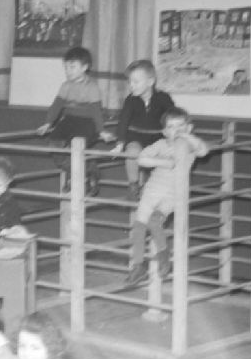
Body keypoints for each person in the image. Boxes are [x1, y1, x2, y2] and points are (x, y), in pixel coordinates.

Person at [123, 107, 209, 287]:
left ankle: (163, 256)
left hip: (174, 193)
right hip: (153, 189)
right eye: (171, 127)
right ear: (164, 131)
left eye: (180, 126)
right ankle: (138, 265)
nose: (176, 130)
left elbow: (203, 150)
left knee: (155, 221)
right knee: (139, 224)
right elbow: (141, 159)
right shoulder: (161, 144)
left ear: (189, 128)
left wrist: (187, 137)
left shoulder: (189, 146)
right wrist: (164, 162)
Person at [35, 47, 115, 196]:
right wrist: (48, 123)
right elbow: (57, 105)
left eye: (72, 67)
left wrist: (101, 130)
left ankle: (75, 179)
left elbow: (96, 111)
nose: (68, 71)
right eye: (66, 67)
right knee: (54, 146)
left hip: (87, 122)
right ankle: (88, 169)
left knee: (75, 149)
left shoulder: (92, 87)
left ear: (84, 67)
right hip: (69, 121)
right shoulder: (66, 86)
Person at [116, 60, 177, 200]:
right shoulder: (130, 100)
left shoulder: (163, 98)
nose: (131, 85)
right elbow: (123, 121)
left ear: (150, 81)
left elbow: (173, 117)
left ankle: (151, 187)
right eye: (130, 82)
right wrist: (120, 142)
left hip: (157, 138)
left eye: (136, 82)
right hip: (135, 136)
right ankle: (133, 185)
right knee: (132, 152)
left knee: (162, 159)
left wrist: (177, 136)